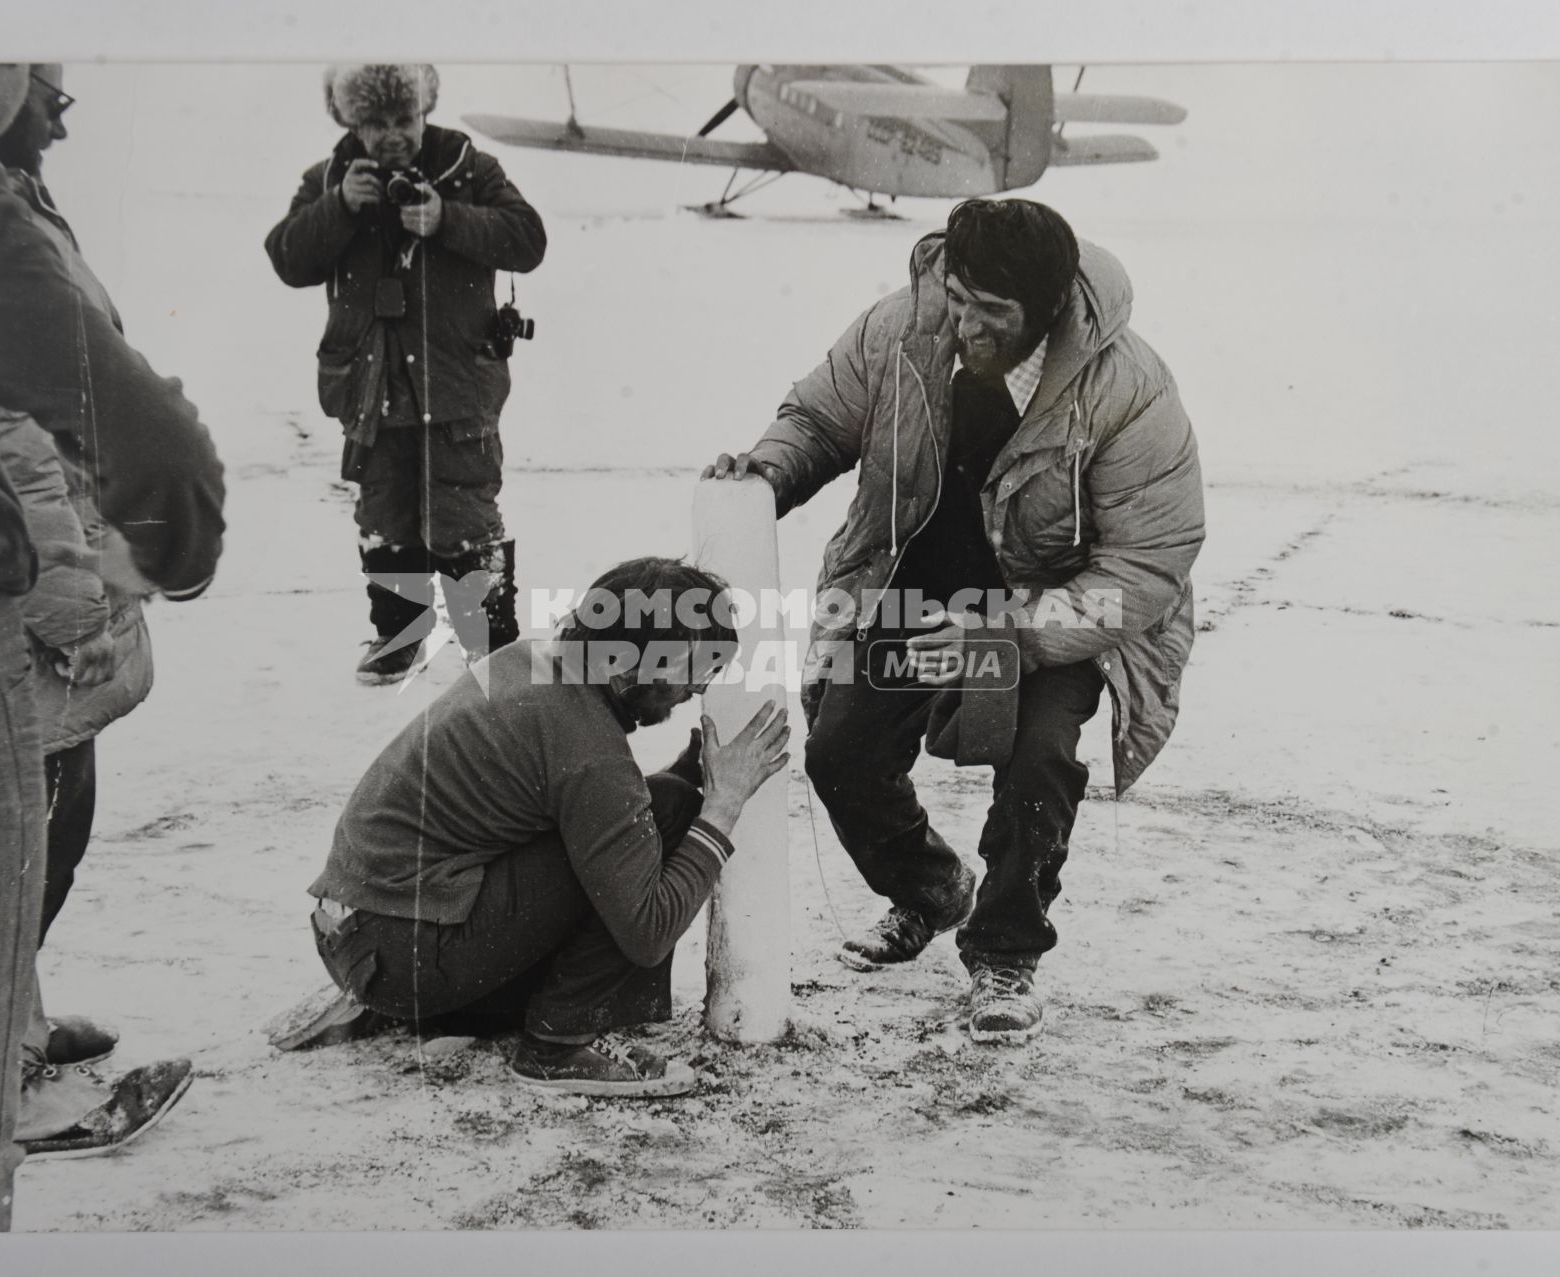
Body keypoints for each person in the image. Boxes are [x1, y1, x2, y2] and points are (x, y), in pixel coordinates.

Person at [703, 198, 1204, 1045]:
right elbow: (820, 418)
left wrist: (1014, 633)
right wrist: (763, 470)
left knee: (1040, 761)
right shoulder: (905, 327)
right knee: (840, 751)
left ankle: (1006, 954)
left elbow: (1147, 566)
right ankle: (932, 888)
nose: (966, 323)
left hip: (1056, 613)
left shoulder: (1129, 390)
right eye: (959, 296)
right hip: (915, 592)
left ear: (1043, 311)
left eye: (993, 313)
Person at [0, 61, 224, 1225]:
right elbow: (27, 414)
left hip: (53, 544)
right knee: (7, 824)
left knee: (55, 812)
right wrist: (98, 546)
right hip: (22, 558)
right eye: (39, 78)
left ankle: (7, 1016)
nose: (63, 98)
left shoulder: (9, 188)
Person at [301, 557, 790, 1096]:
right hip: (401, 957)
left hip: (360, 936)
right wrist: (722, 806)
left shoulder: (534, 660)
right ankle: (557, 1043)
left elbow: (579, 807)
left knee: (663, 804)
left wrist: (682, 775)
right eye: (689, 668)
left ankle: (430, 999)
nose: (697, 689)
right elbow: (647, 931)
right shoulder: (587, 749)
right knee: (672, 812)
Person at [265, 64, 547, 684]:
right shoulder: (331, 179)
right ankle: (398, 638)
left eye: (404, 119)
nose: (393, 135)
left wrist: (450, 218)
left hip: (457, 385)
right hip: (370, 387)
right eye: (376, 123)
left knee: (465, 513)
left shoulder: (469, 170)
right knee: (384, 513)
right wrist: (339, 209)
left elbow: (528, 240)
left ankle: (493, 650)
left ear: (424, 112)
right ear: (351, 122)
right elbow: (287, 257)